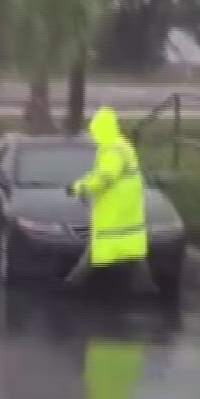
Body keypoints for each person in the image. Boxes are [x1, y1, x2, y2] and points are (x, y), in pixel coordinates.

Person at [65, 106, 149, 290]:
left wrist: (79, 187)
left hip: (113, 209)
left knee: (98, 248)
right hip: (126, 208)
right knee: (132, 250)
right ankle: (147, 287)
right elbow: (97, 174)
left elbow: (104, 177)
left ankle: (71, 286)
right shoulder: (122, 145)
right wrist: (80, 183)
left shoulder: (112, 149)